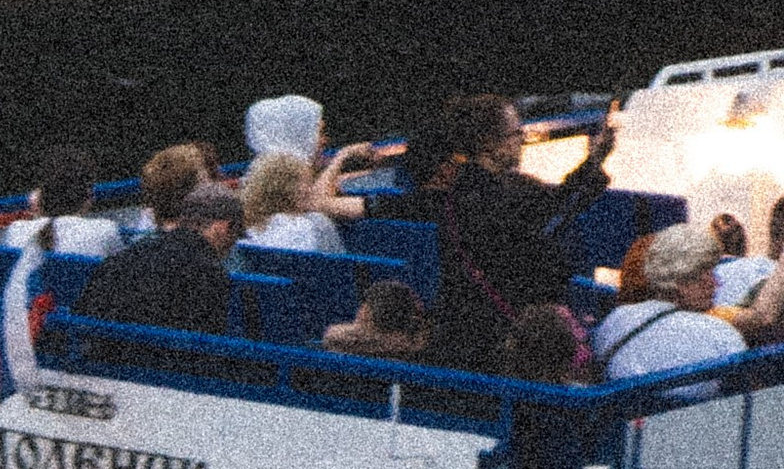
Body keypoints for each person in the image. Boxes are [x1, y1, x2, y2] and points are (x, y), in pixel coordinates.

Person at [402, 91, 615, 370]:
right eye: (517, 133)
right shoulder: (503, 196)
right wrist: (596, 160)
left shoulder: (458, 190)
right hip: (499, 339)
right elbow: (558, 208)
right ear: (491, 144)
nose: (522, 141)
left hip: (461, 328)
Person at [590, 224, 758, 381]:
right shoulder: (721, 335)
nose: (716, 283)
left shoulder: (614, 320)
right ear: (682, 283)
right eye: (708, 274)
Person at [74, 177, 242, 334]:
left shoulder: (130, 254)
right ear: (222, 227)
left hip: (105, 354)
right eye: (236, 234)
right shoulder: (210, 275)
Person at [241, 93, 392, 234]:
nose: (325, 140)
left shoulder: (252, 195)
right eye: (320, 133)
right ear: (297, 136)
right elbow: (316, 201)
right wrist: (342, 156)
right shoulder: (310, 225)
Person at [0, 145, 123, 259]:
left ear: (38, 197)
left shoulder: (16, 230)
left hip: (29, 306)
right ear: (89, 198)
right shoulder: (106, 230)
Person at [240, 149, 345, 255]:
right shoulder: (314, 223)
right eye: (308, 183)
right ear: (289, 190)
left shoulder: (246, 231)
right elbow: (340, 264)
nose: (311, 189)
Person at [323, 275, 430, 356]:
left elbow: (334, 335)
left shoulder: (346, 344)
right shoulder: (416, 344)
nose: (359, 312)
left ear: (368, 314)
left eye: (364, 307)